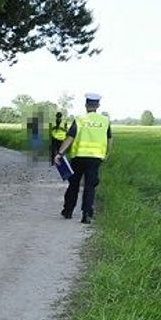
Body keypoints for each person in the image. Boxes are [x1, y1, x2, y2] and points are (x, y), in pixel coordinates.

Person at [54, 93, 112, 224]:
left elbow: (70, 137)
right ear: (98, 105)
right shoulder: (105, 121)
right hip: (96, 158)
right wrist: (107, 154)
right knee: (90, 186)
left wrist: (60, 153)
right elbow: (109, 139)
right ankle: (86, 213)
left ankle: (68, 211)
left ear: (86, 105)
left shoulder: (79, 119)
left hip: (79, 156)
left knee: (73, 184)